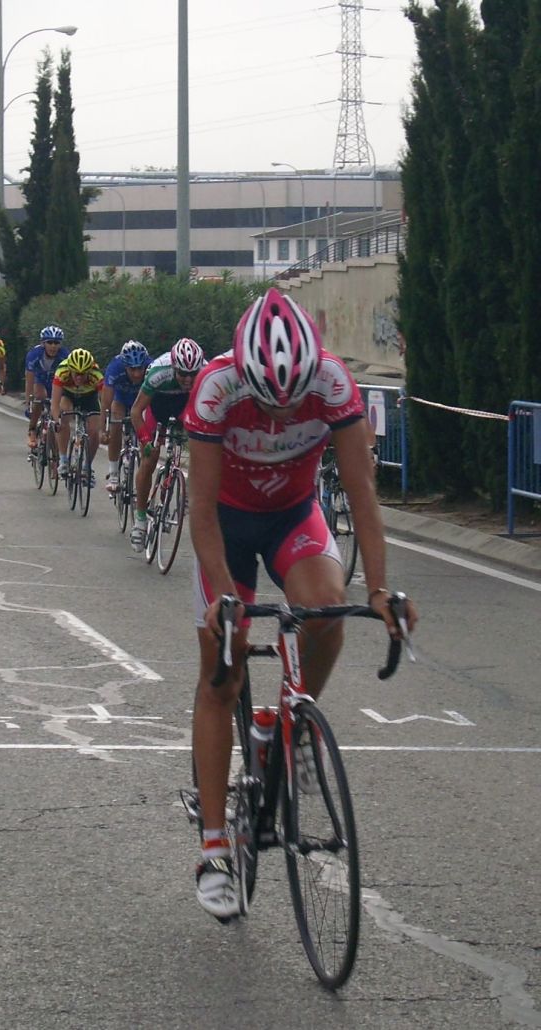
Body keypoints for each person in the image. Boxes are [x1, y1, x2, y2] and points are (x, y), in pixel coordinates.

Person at [184, 288, 418, 919]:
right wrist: (224, 596)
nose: (280, 412)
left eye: (291, 401)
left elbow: (362, 494)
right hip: (227, 524)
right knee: (222, 668)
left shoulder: (334, 383)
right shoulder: (215, 387)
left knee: (327, 608)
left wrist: (379, 588)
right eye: (267, 401)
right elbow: (199, 510)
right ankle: (214, 848)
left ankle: (286, 722)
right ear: (243, 374)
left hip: (292, 515)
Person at [127, 338, 204, 551]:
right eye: (183, 374)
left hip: (184, 406)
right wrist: (146, 440)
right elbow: (136, 411)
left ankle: (184, 488)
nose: (188, 379)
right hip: (157, 405)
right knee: (149, 458)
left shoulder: (205, 373)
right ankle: (140, 521)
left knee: (202, 447)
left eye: (193, 374)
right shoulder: (159, 373)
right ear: (174, 368)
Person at [100, 340, 151, 493]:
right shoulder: (115, 368)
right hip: (121, 399)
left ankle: (144, 473)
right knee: (115, 425)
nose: (137, 374)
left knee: (146, 432)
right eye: (132, 369)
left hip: (141, 399)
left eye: (140, 368)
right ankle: (114, 474)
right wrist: (103, 429)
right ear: (125, 366)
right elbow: (106, 403)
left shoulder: (151, 366)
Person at [50, 347, 104, 486]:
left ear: (89, 371)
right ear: (70, 370)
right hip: (68, 395)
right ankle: (63, 461)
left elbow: (104, 405)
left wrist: (104, 427)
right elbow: (54, 404)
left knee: (94, 431)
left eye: (83, 374)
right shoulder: (62, 371)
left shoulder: (96, 374)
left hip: (89, 397)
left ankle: (87, 467)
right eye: (76, 374)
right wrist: (57, 421)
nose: (79, 377)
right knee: (63, 416)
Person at [23, 325, 70, 450]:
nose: (53, 346)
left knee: (60, 406)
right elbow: (29, 380)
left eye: (56, 343)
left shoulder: (65, 355)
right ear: (43, 343)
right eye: (50, 342)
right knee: (40, 396)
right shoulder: (34, 355)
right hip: (40, 381)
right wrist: (29, 402)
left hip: (57, 382)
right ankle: (32, 429)